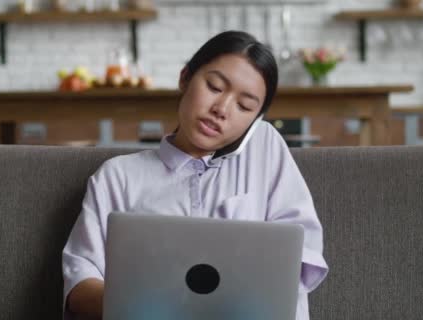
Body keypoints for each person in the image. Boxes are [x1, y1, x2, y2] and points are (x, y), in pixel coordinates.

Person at [62, 31, 328, 320]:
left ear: (255, 121)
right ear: (185, 78)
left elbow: (304, 256)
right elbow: (80, 281)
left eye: (244, 106)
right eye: (214, 87)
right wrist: (143, 305)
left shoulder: (264, 148)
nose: (221, 110)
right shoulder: (118, 176)